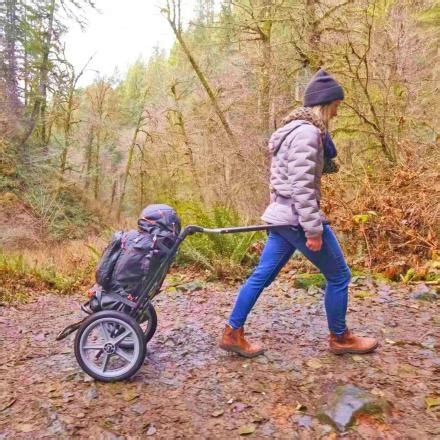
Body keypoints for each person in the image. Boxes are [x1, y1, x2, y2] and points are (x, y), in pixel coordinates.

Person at [219, 69, 378, 358]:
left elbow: (282, 179)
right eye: (336, 107)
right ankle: (340, 338)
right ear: (326, 103)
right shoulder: (306, 134)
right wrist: (313, 229)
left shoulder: (292, 131)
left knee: (261, 276)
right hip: (296, 219)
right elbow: (302, 186)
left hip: (283, 218)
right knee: (340, 275)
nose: (337, 113)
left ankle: (232, 332)